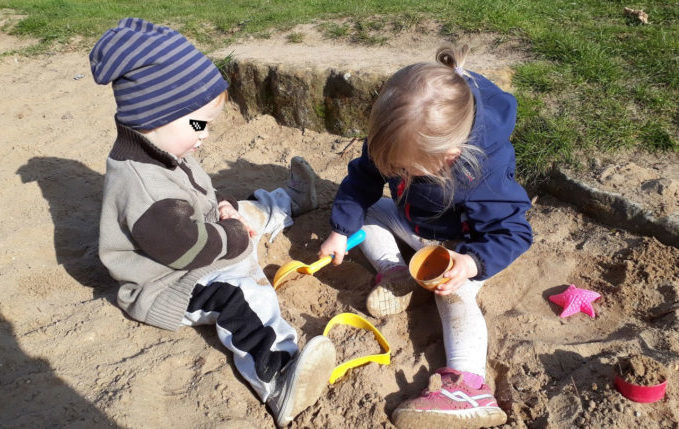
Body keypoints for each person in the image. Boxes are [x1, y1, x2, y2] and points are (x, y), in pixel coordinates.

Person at [90, 18, 335, 427]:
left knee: (243, 209)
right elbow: (185, 247)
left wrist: (224, 208)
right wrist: (235, 235)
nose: (203, 136)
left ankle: (290, 201)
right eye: (197, 124)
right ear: (153, 114)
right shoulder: (144, 187)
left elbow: (197, 190)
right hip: (169, 281)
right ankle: (278, 374)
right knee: (239, 298)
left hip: (197, 235)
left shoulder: (163, 144)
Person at [319, 45, 533, 428]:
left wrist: (470, 264)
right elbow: (364, 179)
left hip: (462, 250)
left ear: (450, 156)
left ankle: (468, 385)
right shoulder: (399, 135)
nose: (394, 170)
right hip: (415, 225)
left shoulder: (483, 171)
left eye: (404, 168)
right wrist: (340, 230)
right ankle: (394, 271)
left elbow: (513, 232)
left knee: (456, 297)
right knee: (364, 214)